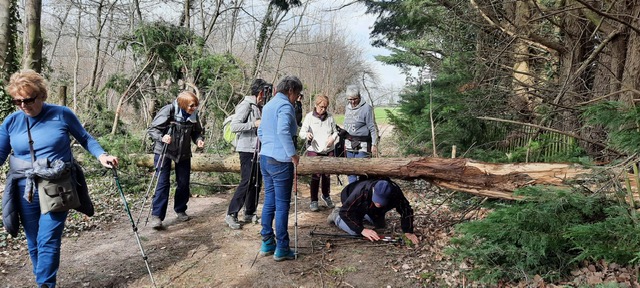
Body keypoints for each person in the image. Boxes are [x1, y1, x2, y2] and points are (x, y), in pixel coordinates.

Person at [0, 69, 119, 288]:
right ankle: (43, 282)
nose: (24, 106)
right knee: (34, 241)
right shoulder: (11, 122)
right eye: (18, 101)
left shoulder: (62, 114)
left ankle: (45, 284)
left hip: (58, 186)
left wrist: (102, 155)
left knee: (48, 239)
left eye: (28, 100)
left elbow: (85, 138)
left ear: (42, 95)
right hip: (24, 188)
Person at [257, 75, 303, 261]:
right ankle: (282, 247)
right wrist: (292, 154)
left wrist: (268, 145)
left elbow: (260, 131)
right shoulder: (285, 105)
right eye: (297, 94)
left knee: (269, 200)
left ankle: (267, 241)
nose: (297, 99)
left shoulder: (268, 105)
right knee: (282, 205)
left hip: (265, 158)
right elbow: (283, 131)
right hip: (280, 160)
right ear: (290, 90)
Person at [147, 90, 205, 230]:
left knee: (183, 182)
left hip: (183, 152)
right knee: (162, 182)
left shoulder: (193, 115)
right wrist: (162, 137)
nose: (194, 108)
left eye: (195, 105)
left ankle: (180, 209)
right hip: (164, 151)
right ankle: (157, 216)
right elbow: (152, 129)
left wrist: (198, 140)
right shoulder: (169, 111)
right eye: (191, 106)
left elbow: (197, 132)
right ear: (183, 104)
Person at [224, 79, 269, 229]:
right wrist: (253, 124)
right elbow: (235, 126)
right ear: (260, 92)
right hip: (246, 149)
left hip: (259, 149)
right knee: (247, 181)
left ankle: (249, 212)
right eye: (265, 92)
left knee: (257, 181)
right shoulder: (246, 105)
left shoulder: (260, 106)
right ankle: (231, 213)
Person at [327, 178, 420, 245]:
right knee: (355, 232)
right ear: (373, 190)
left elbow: (406, 209)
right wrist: (362, 230)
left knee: (380, 225)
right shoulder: (361, 191)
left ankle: (363, 215)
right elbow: (345, 212)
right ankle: (336, 216)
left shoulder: (395, 193)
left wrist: (408, 231)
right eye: (378, 199)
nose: (379, 203)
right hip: (349, 199)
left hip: (369, 206)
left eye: (382, 200)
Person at [298, 95, 338, 212]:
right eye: (321, 107)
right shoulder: (309, 117)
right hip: (314, 150)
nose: (323, 109)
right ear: (316, 105)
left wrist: (333, 138)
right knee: (315, 176)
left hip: (328, 150)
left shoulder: (330, 117)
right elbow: (302, 133)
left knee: (327, 175)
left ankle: (326, 195)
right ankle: (313, 200)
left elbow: (336, 132)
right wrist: (307, 135)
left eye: (325, 107)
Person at [342, 85, 378, 183]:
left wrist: (374, 144)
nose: (353, 102)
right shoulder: (347, 108)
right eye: (350, 99)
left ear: (359, 97)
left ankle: (363, 194)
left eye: (355, 99)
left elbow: (372, 128)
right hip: (349, 145)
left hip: (362, 146)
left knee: (362, 171)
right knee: (351, 172)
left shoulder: (367, 108)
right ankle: (353, 194)